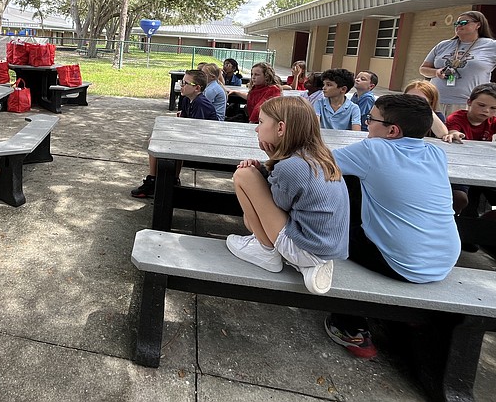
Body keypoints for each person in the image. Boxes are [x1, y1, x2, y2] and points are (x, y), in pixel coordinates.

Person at [325, 94, 460, 358]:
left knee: (324, 224)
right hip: (445, 258)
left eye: (371, 119)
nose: (366, 125)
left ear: (392, 131)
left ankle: (348, 324)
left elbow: (312, 163)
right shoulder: (436, 152)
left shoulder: (374, 150)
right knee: (354, 186)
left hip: (402, 263)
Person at [226, 97, 349, 294]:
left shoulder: (290, 166)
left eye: (261, 122)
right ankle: (306, 265)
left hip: (304, 247)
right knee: (252, 205)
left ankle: (266, 252)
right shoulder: (319, 157)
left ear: (281, 128)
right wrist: (268, 168)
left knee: (244, 175)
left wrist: (267, 165)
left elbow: (276, 204)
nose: (256, 129)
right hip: (326, 248)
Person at [419, 10, 496, 116]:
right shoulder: (443, 45)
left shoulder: (492, 46)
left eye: (463, 22)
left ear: (478, 25)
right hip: (434, 101)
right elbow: (424, 69)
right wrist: (436, 72)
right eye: (456, 23)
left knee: (459, 135)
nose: (459, 25)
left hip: (467, 104)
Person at [445, 83, 496, 221]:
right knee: (459, 199)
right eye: (481, 105)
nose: (486, 111)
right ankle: (450, 225)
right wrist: (455, 135)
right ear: (469, 102)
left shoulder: (494, 122)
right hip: (460, 169)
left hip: (486, 171)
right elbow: (453, 131)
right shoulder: (457, 117)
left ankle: (476, 227)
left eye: (493, 108)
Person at [132, 69, 217, 198]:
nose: (181, 85)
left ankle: (156, 182)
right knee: (156, 140)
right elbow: (184, 121)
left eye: (185, 83)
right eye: (181, 82)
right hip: (196, 138)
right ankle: (164, 180)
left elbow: (197, 130)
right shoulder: (187, 99)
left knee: (158, 143)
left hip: (207, 144)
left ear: (197, 88)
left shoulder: (201, 103)